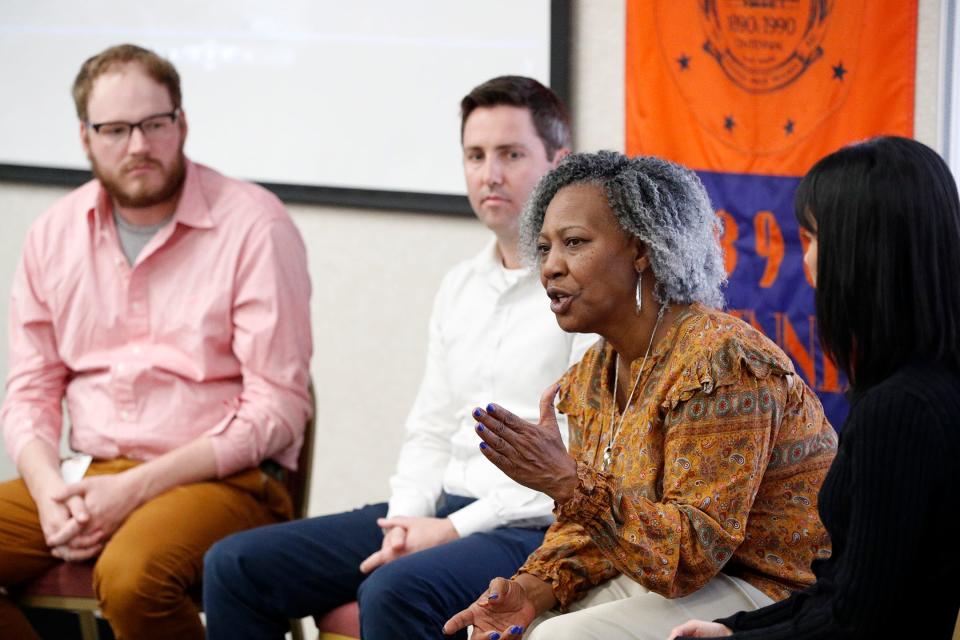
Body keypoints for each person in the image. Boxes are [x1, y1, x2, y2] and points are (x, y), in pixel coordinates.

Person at [202, 76, 594, 640]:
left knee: (391, 591)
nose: (490, 174)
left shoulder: (584, 289)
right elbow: (431, 428)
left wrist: (451, 530)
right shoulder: (459, 285)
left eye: (511, 154)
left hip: (530, 520)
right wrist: (406, 522)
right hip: (441, 505)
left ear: (559, 162)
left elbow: (582, 453)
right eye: (475, 155)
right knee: (234, 566)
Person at [444, 151, 837, 640]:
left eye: (574, 243)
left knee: (558, 638)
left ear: (641, 249)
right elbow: (592, 530)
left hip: (775, 592)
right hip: (672, 580)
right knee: (524, 626)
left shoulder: (722, 362)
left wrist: (567, 483)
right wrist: (531, 589)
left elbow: (689, 557)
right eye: (544, 248)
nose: (551, 267)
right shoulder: (592, 374)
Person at [0, 44, 312, 640]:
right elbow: (30, 389)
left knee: (132, 576)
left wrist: (134, 489)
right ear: (85, 138)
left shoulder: (254, 225)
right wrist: (47, 491)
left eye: (153, 124)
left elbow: (278, 408)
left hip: (224, 478)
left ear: (182, 124)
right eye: (115, 129)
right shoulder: (52, 234)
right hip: (86, 472)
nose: (138, 146)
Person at [668, 137, 960, 639]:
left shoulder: (900, 410)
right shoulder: (923, 384)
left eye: (813, 238)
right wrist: (733, 630)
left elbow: (857, 621)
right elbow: (844, 592)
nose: (805, 261)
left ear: (864, 251)